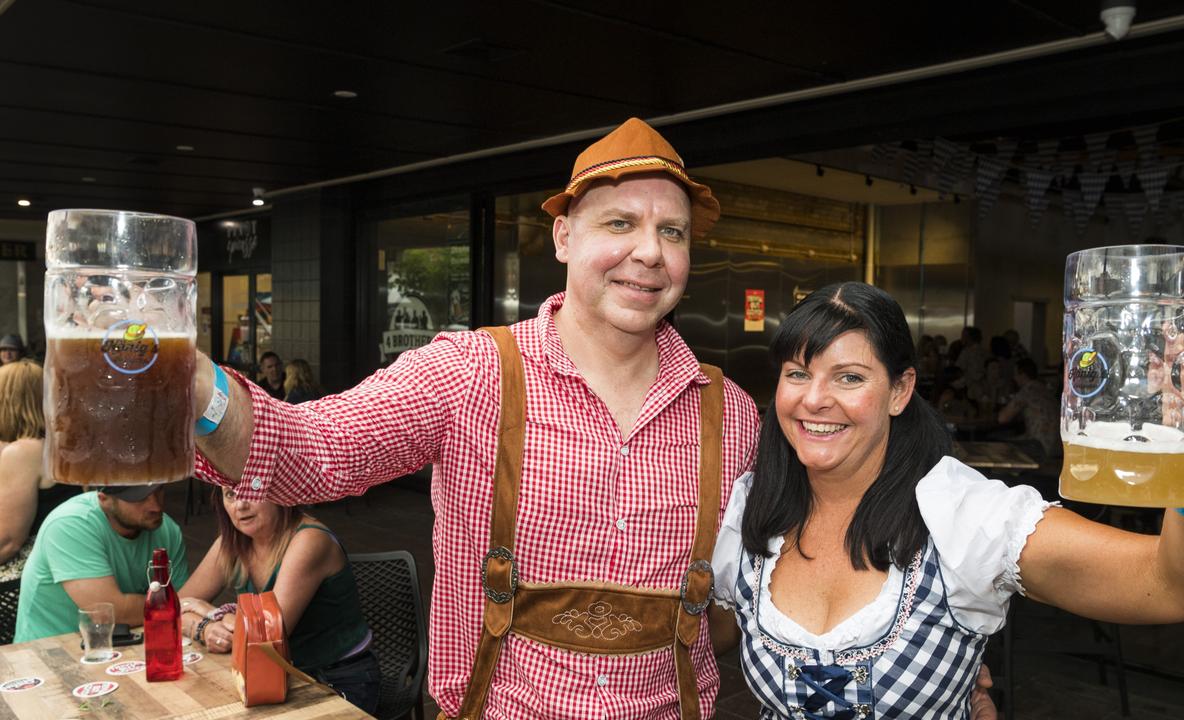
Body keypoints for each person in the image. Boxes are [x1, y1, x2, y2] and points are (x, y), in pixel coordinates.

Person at [191, 117, 761, 719]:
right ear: (564, 237)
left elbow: (734, 609)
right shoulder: (468, 374)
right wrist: (185, 376)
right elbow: (309, 450)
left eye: (672, 231)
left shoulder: (733, 416)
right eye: (620, 222)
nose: (650, 251)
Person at [709, 281, 1184, 717]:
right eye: (797, 373)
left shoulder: (963, 518)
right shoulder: (753, 509)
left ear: (900, 391)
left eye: (849, 377)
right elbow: (712, 634)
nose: (815, 399)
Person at [178, 488, 380, 714]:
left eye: (251, 491)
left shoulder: (310, 540)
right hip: (276, 677)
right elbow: (174, 607)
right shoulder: (232, 542)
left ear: (280, 491)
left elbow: (266, 639)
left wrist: (211, 613)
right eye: (230, 495)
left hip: (335, 681)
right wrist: (203, 629)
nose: (240, 505)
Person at [14, 483, 189, 642]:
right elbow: (110, 613)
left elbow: (185, 601)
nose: (156, 506)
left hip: (123, 647)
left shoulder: (166, 529)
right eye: (139, 498)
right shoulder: (71, 523)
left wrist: (182, 604)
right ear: (103, 498)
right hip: (48, 653)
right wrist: (176, 605)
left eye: (158, 491)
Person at [0, 359, 79, 580]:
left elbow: (7, 541)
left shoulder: (24, 452)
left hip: (32, 574)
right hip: (63, 562)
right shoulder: (55, 445)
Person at [997, 357, 1060, 462]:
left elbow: (1002, 418)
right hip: (1058, 447)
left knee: (998, 443)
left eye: (1015, 374)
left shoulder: (1027, 390)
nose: (1014, 378)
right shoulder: (1046, 390)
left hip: (1041, 447)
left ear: (1023, 375)